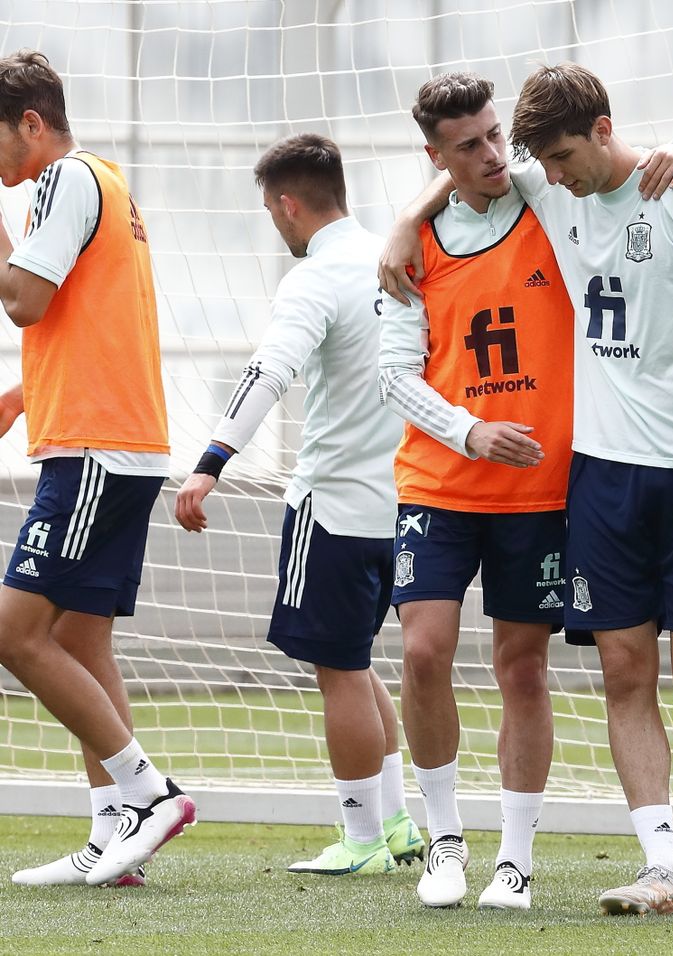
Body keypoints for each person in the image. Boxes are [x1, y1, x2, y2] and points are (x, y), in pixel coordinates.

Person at [380, 62, 673, 917]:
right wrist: (400, 224)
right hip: (598, 475)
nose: (544, 174)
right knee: (623, 670)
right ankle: (663, 866)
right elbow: (462, 169)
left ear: (604, 130)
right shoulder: (546, 183)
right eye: (541, 160)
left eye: (559, 155)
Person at [173, 133, 422, 878]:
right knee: (356, 661)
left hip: (335, 501)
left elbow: (267, 372)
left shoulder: (314, 278)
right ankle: (399, 821)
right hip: (404, 502)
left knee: (336, 669)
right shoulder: (396, 259)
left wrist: (209, 463)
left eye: (269, 211)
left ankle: (360, 837)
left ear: (287, 205)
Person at [0, 48, 194, 888]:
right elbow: (76, 316)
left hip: (95, 451)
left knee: (13, 633)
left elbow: (22, 299)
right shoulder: (100, 182)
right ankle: (115, 841)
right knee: (80, 639)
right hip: (113, 443)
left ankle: (150, 796)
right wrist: (21, 393)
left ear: (31, 125)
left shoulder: (68, 180)